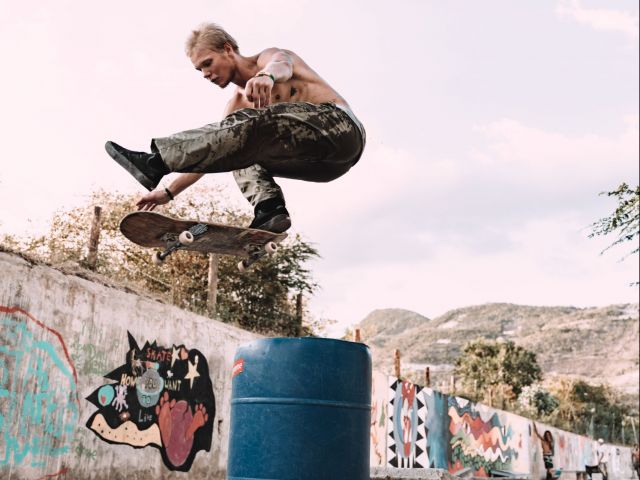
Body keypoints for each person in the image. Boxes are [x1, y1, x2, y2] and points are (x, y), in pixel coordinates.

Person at [105, 23, 366, 233]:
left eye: (208, 63)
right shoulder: (237, 106)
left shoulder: (267, 59)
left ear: (228, 49)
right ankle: (269, 210)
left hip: (342, 131)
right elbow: (208, 155)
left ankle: (157, 160)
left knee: (253, 125)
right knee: (232, 148)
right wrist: (168, 192)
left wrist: (267, 76)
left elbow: (282, 64)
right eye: (199, 70)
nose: (206, 74)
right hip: (324, 167)